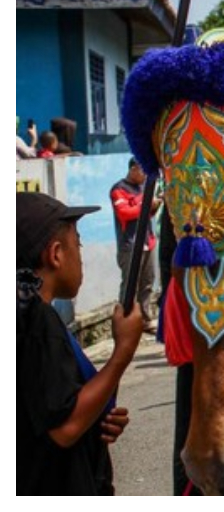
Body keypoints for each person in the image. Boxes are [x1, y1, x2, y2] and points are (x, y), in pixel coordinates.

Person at [17, 192, 144, 494]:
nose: (80, 255)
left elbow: (53, 407)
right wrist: (122, 354)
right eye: (78, 244)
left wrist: (96, 416)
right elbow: (64, 428)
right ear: (56, 254)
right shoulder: (36, 320)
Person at [111, 158, 161, 331]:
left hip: (149, 241)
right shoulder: (119, 189)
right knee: (130, 284)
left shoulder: (144, 187)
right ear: (133, 169)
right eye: (143, 171)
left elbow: (149, 215)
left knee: (148, 281)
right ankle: (124, 321)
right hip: (130, 245)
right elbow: (125, 213)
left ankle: (145, 319)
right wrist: (146, 204)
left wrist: (155, 205)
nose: (145, 176)